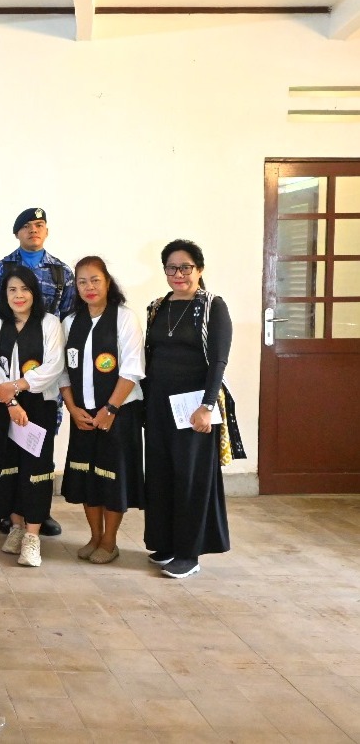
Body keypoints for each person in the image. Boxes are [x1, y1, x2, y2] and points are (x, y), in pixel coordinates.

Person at [143, 239, 240, 579]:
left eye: (186, 267)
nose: (178, 274)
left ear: (199, 269)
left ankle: (189, 553)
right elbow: (149, 356)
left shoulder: (213, 306)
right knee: (160, 474)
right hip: (158, 404)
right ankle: (166, 543)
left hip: (193, 405)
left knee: (190, 478)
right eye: (172, 268)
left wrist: (206, 406)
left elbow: (219, 361)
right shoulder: (157, 306)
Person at [0, 206, 74, 537]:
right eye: (27, 226)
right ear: (16, 232)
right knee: (7, 449)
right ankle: (8, 511)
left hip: (42, 381)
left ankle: (38, 511)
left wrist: (22, 384)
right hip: (6, 379)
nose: (34, 230)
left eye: (40, 225)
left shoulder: (63, 272)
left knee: (39, 450)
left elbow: (67, 324)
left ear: (46, 231)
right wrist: (6, 389)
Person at [59, 256, 145, 565]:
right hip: (83, 414)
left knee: (112, 477)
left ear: (107, 282)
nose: (89, 287)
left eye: (95, 280)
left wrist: (110, 408)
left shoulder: (124, 318)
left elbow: (133, 369)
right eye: (82, 282)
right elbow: (62, 373)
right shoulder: (69, 323)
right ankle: (94, 535)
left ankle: (110, 540)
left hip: (118, 413)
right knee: (86, 477)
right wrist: (72, 408)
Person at [0, 266, 64, 567]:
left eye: (24, 289)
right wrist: (12, 401)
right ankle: (15, 526)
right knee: (7, 466)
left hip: (38, 405)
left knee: (36, 470)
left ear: (34, 292)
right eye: (12, 289)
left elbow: (54, 364)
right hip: (5, 406)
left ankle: (32, 536)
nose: (18, 295)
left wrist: (18, 386)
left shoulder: (50, 323)